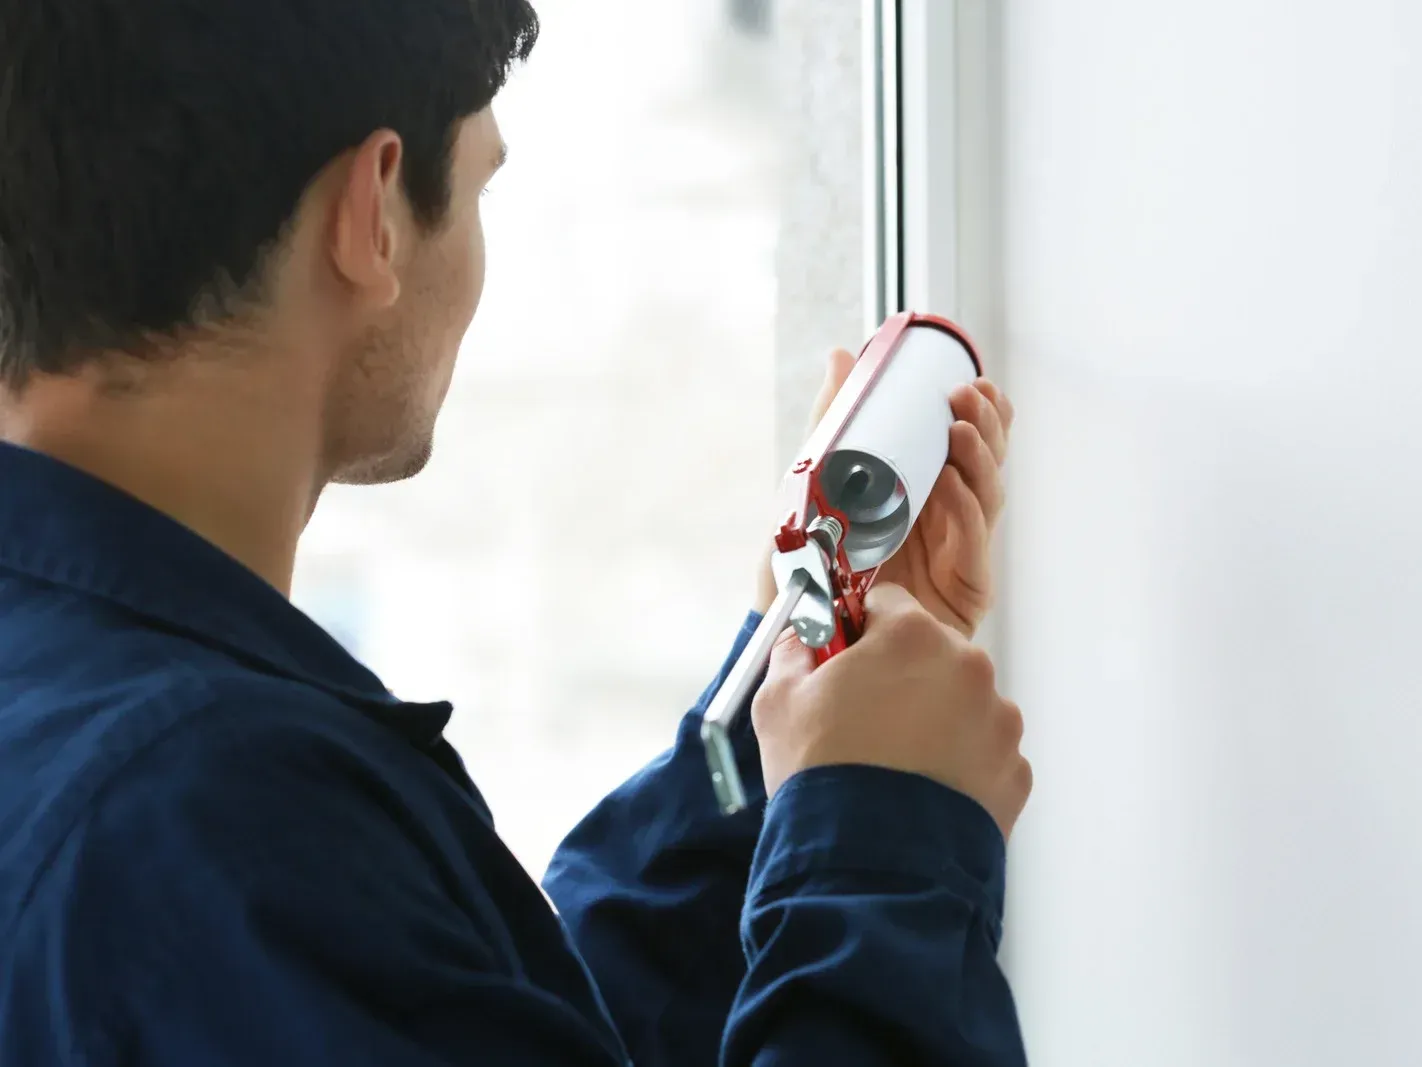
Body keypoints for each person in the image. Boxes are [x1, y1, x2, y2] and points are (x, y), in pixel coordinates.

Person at [0, 2, 1030, 1064]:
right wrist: (887, 846)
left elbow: (476, 1017)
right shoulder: (211, 819)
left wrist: (791, 699)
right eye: (484, 182)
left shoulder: (97, 730)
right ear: (375, 214)